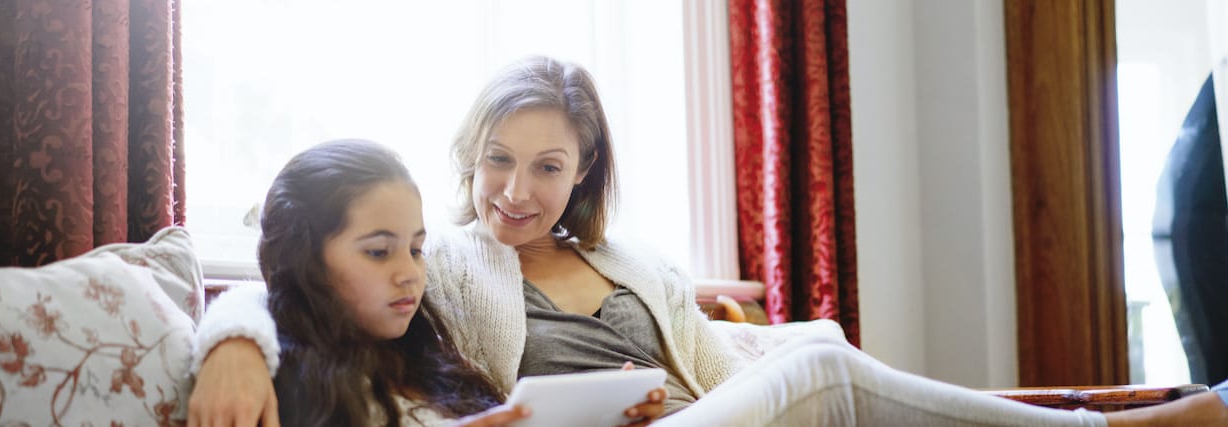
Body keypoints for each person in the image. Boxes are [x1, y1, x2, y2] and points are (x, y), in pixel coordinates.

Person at [188, 56, 1228, 426]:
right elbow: (275, 283)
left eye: (546, 167)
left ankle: (1095, 410)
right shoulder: (442, 259)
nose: (514, 189)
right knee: (818, 357)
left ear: (580, 173)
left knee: (819, 365)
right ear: (470, 157)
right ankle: (1112, 422)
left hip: (703, 414)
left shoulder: (634, 266)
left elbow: (725, 368)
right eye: (497, 160)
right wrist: (229, 343)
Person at [199, 139, 535, 426]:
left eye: (416, 250)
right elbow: (260, 299)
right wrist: (233, 339)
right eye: (378, 252)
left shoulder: (428, 357)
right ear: (304, 259)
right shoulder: (287, 384)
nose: (410, 273)